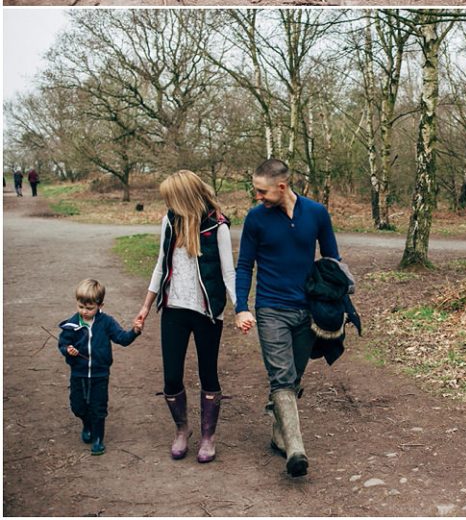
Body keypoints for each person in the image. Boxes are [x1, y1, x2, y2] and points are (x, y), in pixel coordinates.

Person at [234, 156, 351, 478]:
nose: (257, 197)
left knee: (294, 377)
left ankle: (278, 432)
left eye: (261, 191)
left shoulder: (316, 213)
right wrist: (241, 306)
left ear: (281, 186)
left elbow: (332, 260)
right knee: (281, 378)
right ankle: (296, 449)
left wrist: (339, 300)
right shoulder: (256, 219)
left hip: (307, 311)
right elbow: (244, 266)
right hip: (271, 308)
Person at [132, 170, 238, 465]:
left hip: (206, 313)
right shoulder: (170, 221)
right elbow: (159, 267)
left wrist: (240, 308)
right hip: (173, 310)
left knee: (208, 374)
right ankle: (182, 429)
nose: (168, 202)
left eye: (171, 197)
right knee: (171, 377)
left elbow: (229, 274)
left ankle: (208, 437)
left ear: (184, 197)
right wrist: (145, 305)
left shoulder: (218, 226)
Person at [58, 276, 142, 456]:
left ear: (100, 306)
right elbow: (63, 344)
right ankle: (86, 424)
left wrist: (134, 331)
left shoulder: (106, 323)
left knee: (98, 407)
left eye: (89, 308)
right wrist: (68, 349)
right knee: (78, 406)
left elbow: (122, 339)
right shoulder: (72, 325)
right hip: (78, 373)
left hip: (99, 374)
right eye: (81, 307)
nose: (85, 312)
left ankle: (98, 438)